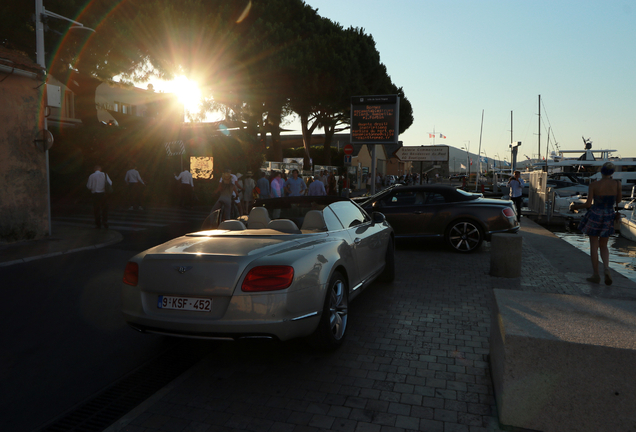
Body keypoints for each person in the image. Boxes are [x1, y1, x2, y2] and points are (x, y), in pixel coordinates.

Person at [570, 162, 622, 285]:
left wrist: (575, 206)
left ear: (601, 171)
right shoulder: (617, 184)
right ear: (612, 173)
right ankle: (607, 268)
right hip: (609, 214)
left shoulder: (594, 185)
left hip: (595, 215)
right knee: (604, 245)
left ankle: (596, 275)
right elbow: (618, 200)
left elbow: (588, 204)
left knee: (594, 245)